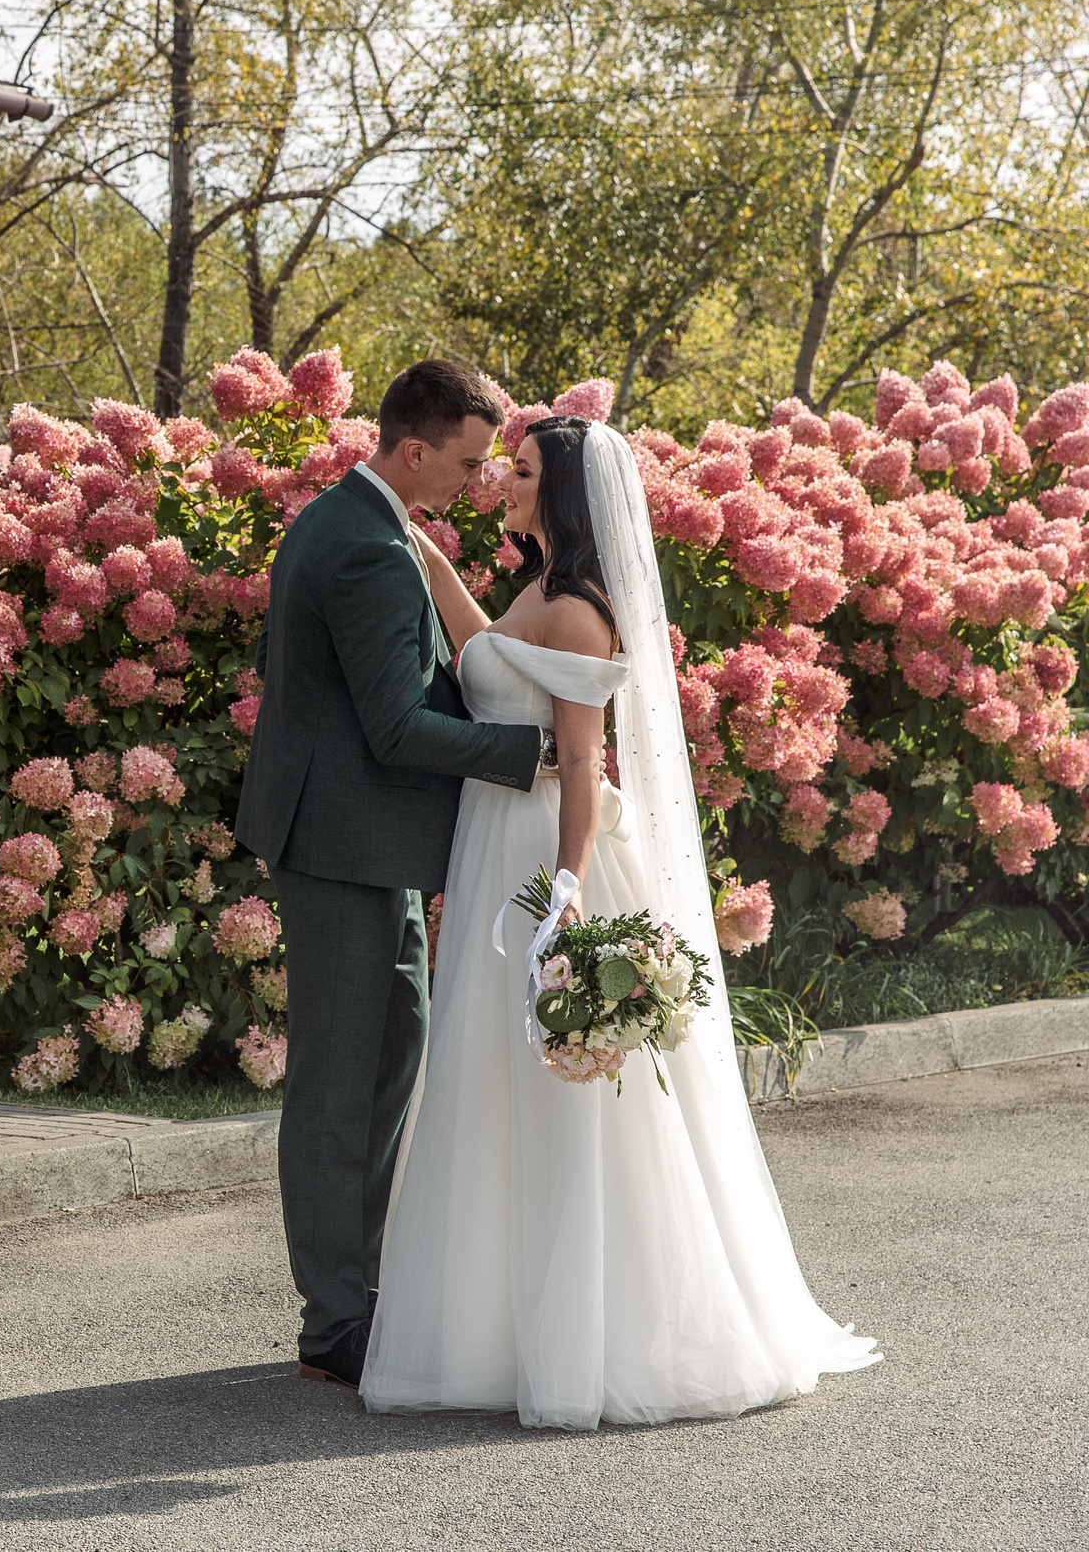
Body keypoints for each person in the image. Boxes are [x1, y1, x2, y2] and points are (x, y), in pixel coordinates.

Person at [357, 411, 881, 1429]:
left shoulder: (582, 611)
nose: (500, 485)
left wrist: (562, 889)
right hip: (492, 838)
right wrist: (424, 558)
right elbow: (484, 660)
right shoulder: (534, 591)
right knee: (488, 1082)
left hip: (548, 849)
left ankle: (598, 1330)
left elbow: (584, 768)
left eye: (516, 474)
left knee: (568, 1090)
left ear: (562, 495)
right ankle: (492, 1333)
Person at [234, 358, 549, 1390]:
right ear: (412, 448)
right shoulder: (366, 546)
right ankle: (335, 1319)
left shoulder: (365, 524)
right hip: (340, 842)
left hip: (365, 839)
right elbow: (396, 725)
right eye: (464, 461)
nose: (475, 480)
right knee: (340, 1077)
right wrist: (531, 755)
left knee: (390, 1051)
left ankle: (364, 1286)